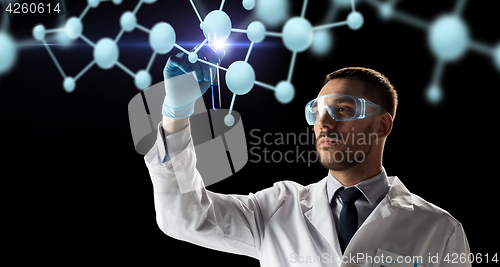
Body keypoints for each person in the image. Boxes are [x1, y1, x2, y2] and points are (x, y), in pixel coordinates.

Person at [144, 46, 470, 266]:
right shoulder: (275, 209)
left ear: (382, 125)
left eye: (343, 109)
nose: (324, 123)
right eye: (317, 111)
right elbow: (185, 218)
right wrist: (176, 114)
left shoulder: (438, 230)